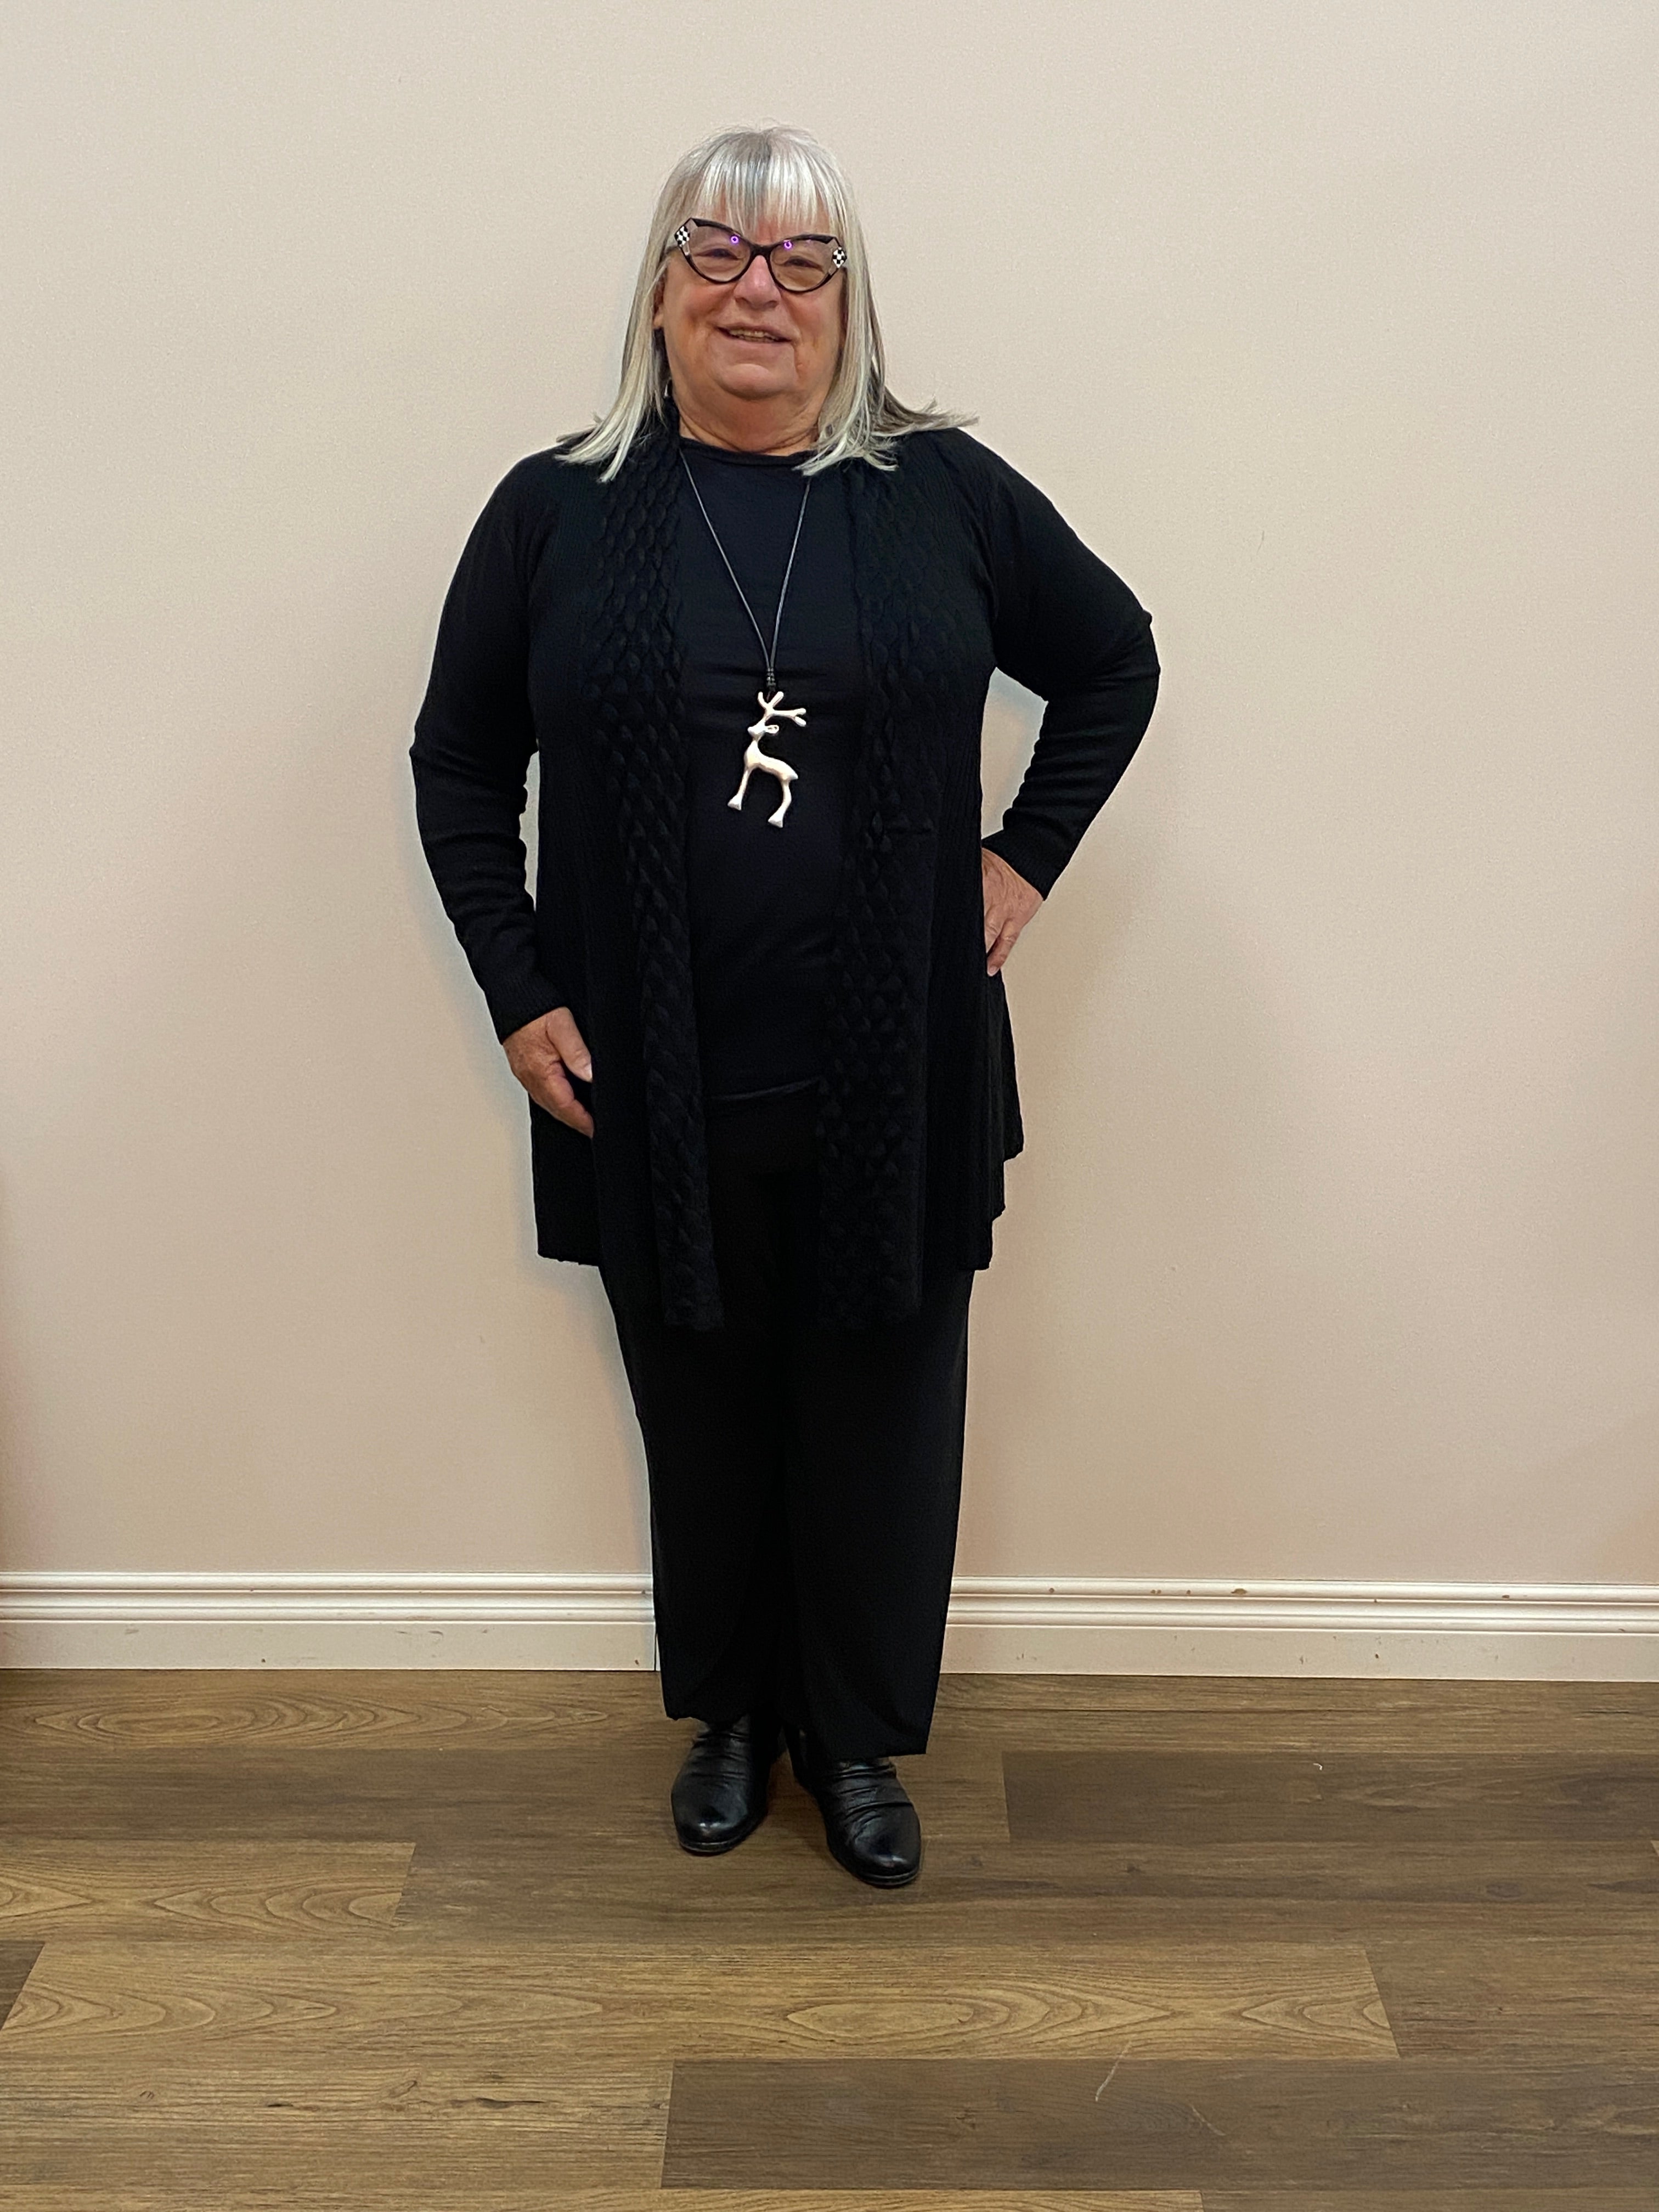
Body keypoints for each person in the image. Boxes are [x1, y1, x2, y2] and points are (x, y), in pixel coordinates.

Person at [409, 123, 1159, 1889]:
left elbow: (1114, 656)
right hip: (650, 1081)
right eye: (721, 252)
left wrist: (1026, 858)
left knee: (884, 1413)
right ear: (661, 292)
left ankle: (858, 1739)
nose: (762, 290)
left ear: (851, 304)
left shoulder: (944, 495)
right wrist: (519, 992)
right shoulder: (556, 513)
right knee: (708, 1411)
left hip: (893, 1073)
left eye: (802, 261)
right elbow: (457, 763)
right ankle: (733, 1718)